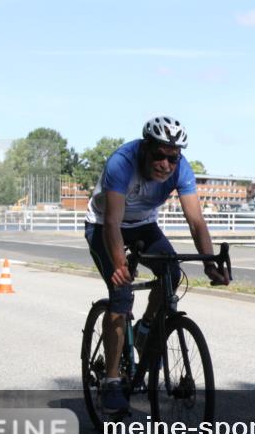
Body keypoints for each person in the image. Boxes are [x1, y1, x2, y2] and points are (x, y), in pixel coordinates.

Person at [84, 116, 229, 414]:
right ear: (145, 149)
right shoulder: (122, 162)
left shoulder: (182, 170)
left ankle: (148, 328)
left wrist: (209, 263)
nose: (165, 164)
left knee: (172, 273)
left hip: (143, 225)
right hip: (103, 225)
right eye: (159, 155)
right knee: (121, 294)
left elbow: (196, 221)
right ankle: (112, 380)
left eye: (172, 158)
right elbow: (112, 221)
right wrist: (120, 264)